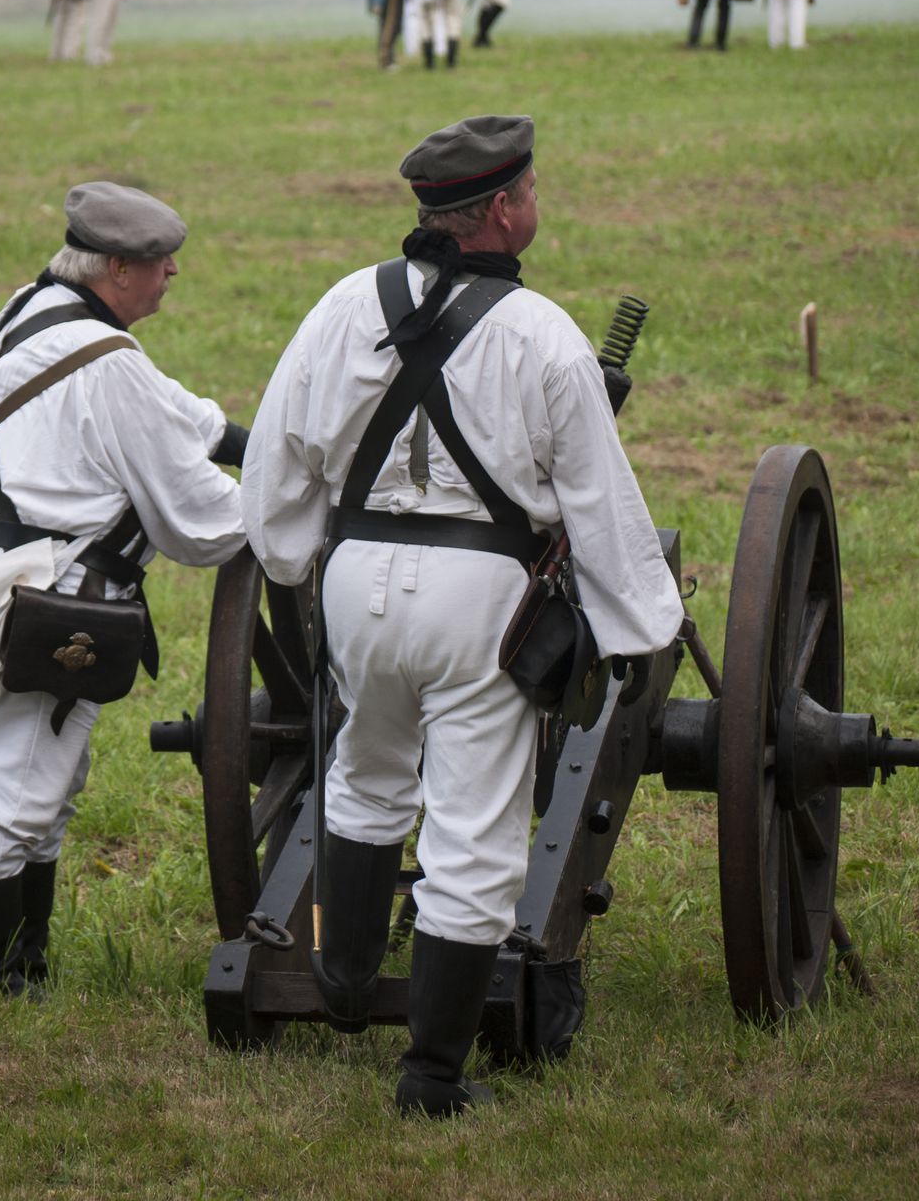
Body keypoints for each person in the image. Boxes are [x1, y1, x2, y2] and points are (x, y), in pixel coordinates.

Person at [241, 115, 683, 1116]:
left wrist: (297, 552)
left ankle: (346, 986)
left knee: (363, 771)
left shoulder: (343, 305)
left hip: (355, 586)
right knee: (477, 830)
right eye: (530, 191)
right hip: (483, 599)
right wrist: (638, 633)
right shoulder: (546, 338)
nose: (536, 203)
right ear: (501, 209)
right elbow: (603, 511)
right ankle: (432, 1076)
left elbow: (276, 459)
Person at [0, 181, 248, 993]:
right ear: (116, 268)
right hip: (59, 593)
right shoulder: (104, 360)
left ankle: (22, 959)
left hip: (8, 575)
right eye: (158, 261)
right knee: (11, 788)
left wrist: (244, 440)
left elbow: (163, 406)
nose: (172, 270)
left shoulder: (31, 310)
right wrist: (280, 506)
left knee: (46, 776)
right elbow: (198, 522)